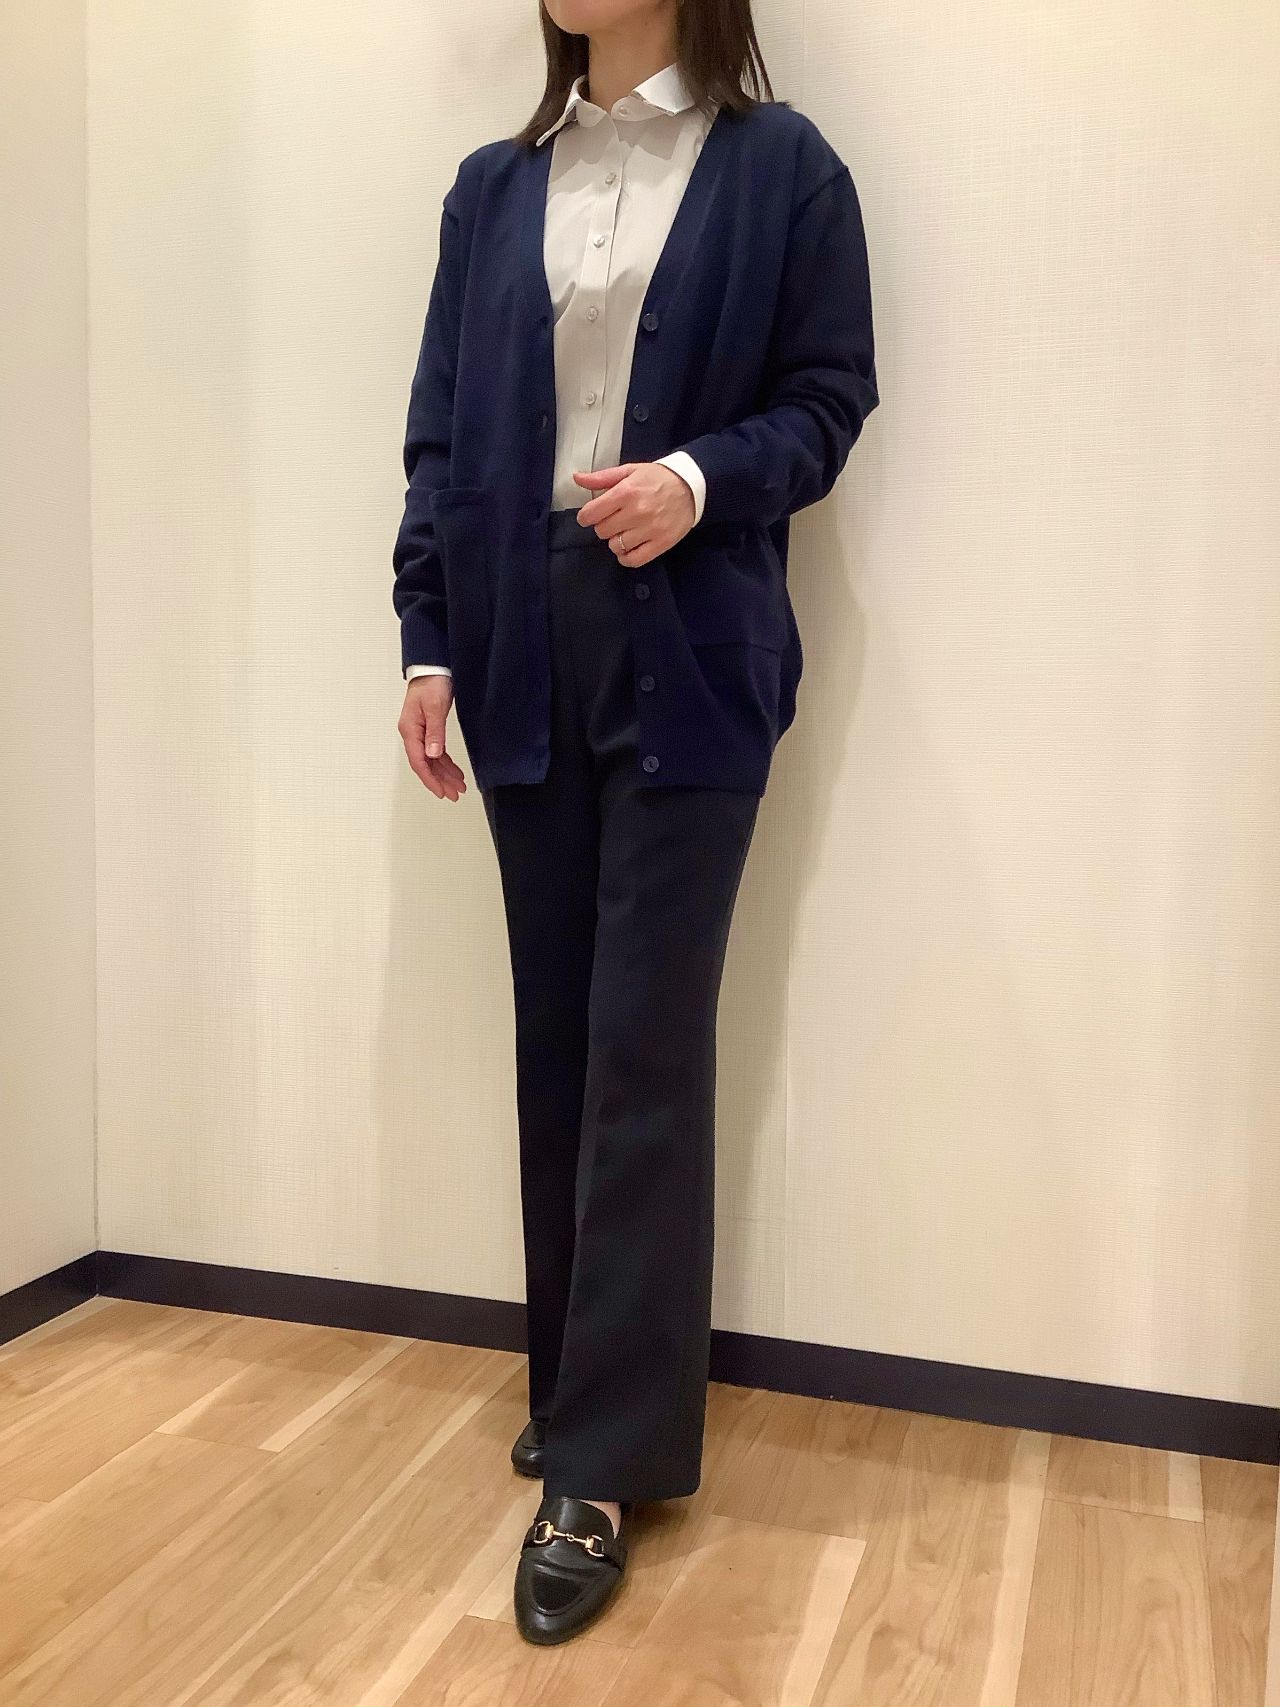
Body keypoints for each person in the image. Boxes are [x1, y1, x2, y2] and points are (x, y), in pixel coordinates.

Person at [390, 0, 877, 1647]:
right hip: (518, 641)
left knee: (646, 1051)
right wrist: (429, 642)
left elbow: (830, 397)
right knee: (556, 1040)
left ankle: (602, 1468)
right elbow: (442, 437)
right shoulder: (491, 187)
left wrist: (699, 479)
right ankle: (577, 1392)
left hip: (690, 646)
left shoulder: (783, 168)